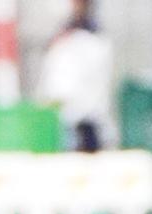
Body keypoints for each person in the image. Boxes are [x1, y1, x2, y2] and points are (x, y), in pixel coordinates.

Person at [35, 0, 114, 152]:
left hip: (83, 126)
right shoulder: (70, 38)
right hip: (71, 123)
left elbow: (62, 88)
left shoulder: (88, 41)